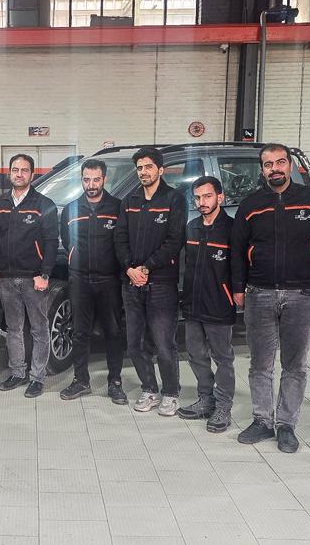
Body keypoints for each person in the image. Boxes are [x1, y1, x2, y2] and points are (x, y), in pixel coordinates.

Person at [231, 143, 310, 453]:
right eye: (268, 164)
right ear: (262, 169)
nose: (274, 168)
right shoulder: (251, 204)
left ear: (290, 166)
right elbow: (237, 249)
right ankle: (262, 420)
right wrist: (238, 288)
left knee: (295, 364)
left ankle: (286, 424)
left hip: (302, 293)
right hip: (259, 292)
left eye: (279, 162)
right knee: (260, 364)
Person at [114, 147, 186, 417]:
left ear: (160, 170)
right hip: (132, 284)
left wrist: (146, 267)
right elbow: (119, 238)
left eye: (148, 167)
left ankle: (171, 393)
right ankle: (149, 389)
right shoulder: (129, 201)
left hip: (162, 285)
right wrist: (129, 268)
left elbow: (174, 240)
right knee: (134, 344)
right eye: (140, 168)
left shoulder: (174, 199)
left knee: (163, 343)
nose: (143, 172)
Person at [58, 159, 128, 404]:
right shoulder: (70, 209)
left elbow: (123, 242)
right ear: (81, 180)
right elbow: (67, 240)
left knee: (113, 332)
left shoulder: (117, 207)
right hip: (79, 279)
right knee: (79, 332)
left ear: (104, 179)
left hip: (109, 280)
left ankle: (115, 382)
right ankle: (81, 380)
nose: (91, 185)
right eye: (86, 180)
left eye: (96, 179)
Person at [0, 154, 59, 398]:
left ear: (32, 174)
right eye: (15, 170)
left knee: (39, 329)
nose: (19, 174)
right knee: (13, 329)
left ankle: (37, 377)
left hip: (33, 278)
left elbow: (51, 242)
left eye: (24, 170)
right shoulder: (1, 202)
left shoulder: (44, 204)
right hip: (7, 278)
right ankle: (17, 373)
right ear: (9, 172)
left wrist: (44, 274)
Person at [178, 176, 236, 433]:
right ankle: (206, 399)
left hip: (219, 304)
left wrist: (236, 293)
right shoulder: (191, 227)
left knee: (222, 358)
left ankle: (223, 407)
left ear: (220, 197)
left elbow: (239, 268)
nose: (201, 202)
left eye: (207, 196)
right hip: (193, 304)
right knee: (196, 355)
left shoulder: (232, 229)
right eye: (198, 197)